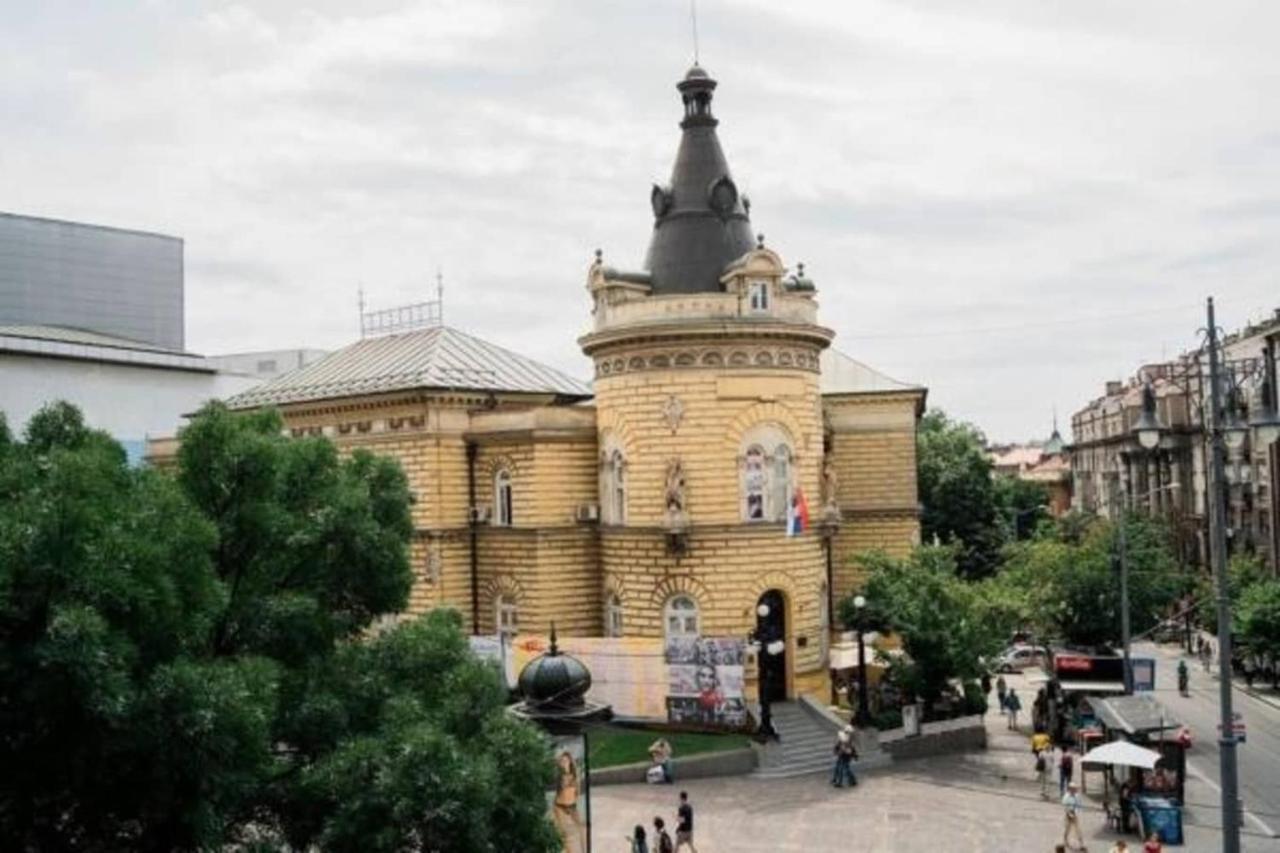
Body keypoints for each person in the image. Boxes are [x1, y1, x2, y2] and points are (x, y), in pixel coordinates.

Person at [553, 750, 587, 853]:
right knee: (564, 835)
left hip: (572, 807)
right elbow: (559, 789)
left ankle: (585, 850)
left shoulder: (575, 775)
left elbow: (578, 792)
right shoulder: (559, 776)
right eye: (562, 761)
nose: (564, 762)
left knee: (582, 830)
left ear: (570, 761)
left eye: (566, 760)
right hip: (559, 807)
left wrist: (573, 782)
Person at [1062, 783, 1085, 851]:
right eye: (1073, 789)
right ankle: (1065, 839)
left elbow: (1079, 805)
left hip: (1074, 814)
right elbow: (1065, 806)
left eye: (1075, 789)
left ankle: (1081, 842)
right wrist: (1069, 813)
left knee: (1077, 829)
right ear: (1070, 789)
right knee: (1067, 828)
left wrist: (1075, 813)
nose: (1074, 790)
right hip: (1068, 814)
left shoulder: (1077, 796)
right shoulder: (1066, 796)